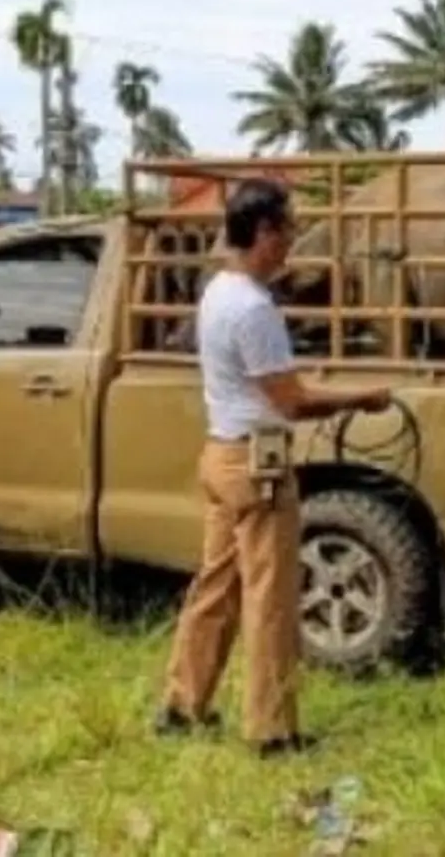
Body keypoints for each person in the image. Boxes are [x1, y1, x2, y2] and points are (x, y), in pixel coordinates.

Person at [154, 177, 390, 757]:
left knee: (215, 588)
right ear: (262, 232)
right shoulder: (255, 309)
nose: (291, 242)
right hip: (256, 467)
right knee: (271, 598)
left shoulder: (218, 292)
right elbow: (291, 401)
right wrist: (362, 398)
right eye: (287, 230)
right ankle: (272, 729)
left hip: (221, 455)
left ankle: (184, 704)